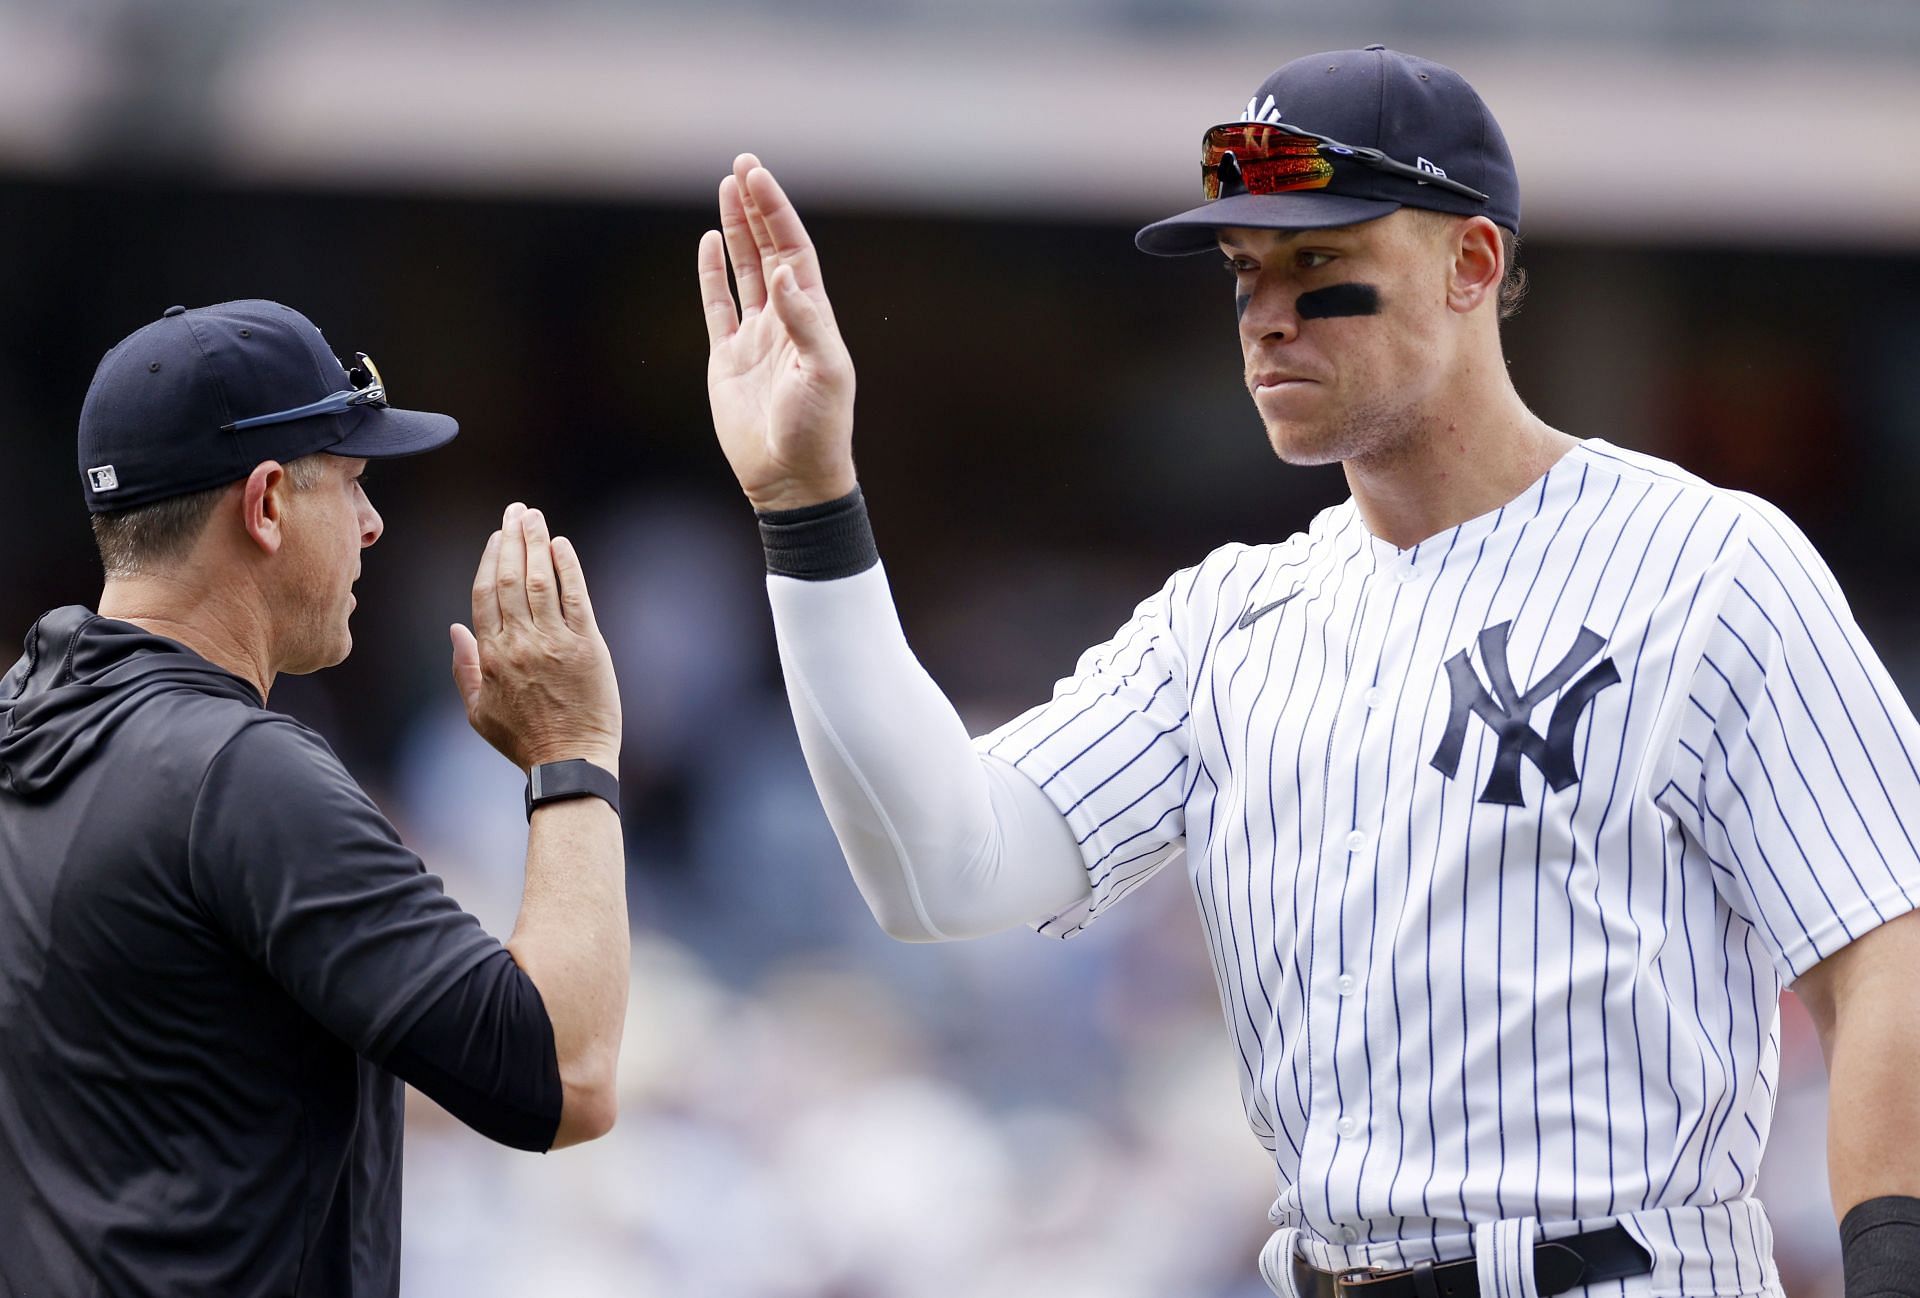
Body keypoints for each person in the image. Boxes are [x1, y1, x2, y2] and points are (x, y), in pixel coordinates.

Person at [697, 46, 1920, 1298]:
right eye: (1244, 272)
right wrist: (807, 505)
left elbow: (1886, 949)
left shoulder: (1707, 564)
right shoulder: (1226, 622)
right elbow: (940, 867)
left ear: (1472, 263)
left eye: (1318, 263)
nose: (1267, 312)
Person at [0, 300, 630, 1297]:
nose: (374, 525)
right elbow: (565, 1073)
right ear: (265, 505)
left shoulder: (19, 730)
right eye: (352, 483)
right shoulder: (236, 774)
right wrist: (574, 756)